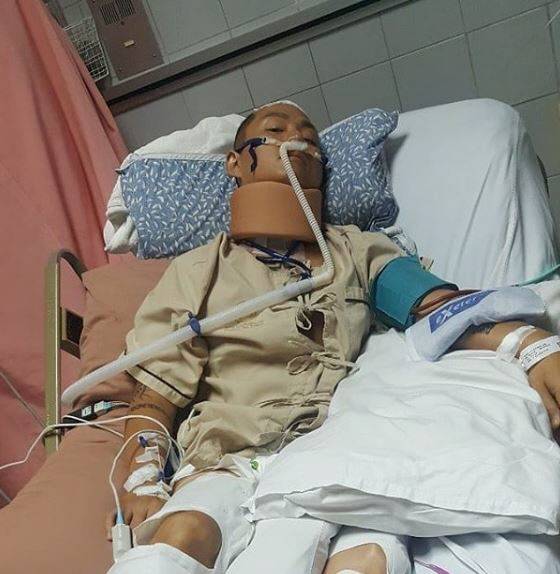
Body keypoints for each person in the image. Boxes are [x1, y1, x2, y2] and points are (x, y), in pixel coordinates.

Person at [106, 101, 560, 574]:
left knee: (363, 560)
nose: (295, 141)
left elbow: (441, 311)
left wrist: (533, 345)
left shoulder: (358, 250)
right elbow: (154, 397)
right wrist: (142, 479)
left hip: (340, 449)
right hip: (228, 454)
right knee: (184, 533)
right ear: (235, 163)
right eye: (275, 130)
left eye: (309, 137)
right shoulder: (198, 270)